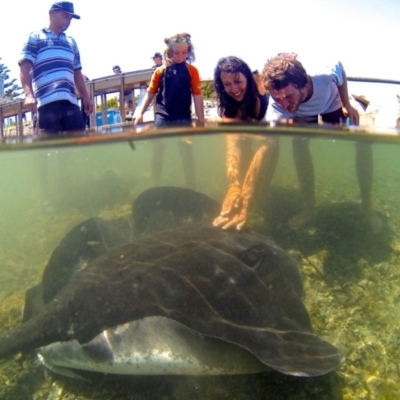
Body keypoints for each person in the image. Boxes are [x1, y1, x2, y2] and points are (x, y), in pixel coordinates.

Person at [262, 55, 382, 232]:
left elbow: (339, 67)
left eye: (288, 96)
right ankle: (309, 209)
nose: (284, 103)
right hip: (302, 114)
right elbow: (268, 137)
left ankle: (367, 207)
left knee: (363, 142)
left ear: (303, 84)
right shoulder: (278, 104)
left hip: (331, 103)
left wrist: (347, 104)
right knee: (299, 144)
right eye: (278, 98)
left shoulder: (323, 75)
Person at [212, 56, 278, 231]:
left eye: (237, 81)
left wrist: (247, 199)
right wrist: (234, 184)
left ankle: (253, 208)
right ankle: (238, 201)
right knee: (239, 178)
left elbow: (265, 146)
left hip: (268, 141)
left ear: (247, 78)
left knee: (261, 184)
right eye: (227, 84)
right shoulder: (228, 108)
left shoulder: (260, 88)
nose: (234, 89)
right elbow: (232, 145)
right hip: (247, 141)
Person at [134, 32, 204, 189]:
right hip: (162, 116)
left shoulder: (192, 70)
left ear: (189, 52)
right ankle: (156, 183)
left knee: (186, 150)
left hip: (183, 116)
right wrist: (140, 113)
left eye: (184, 52)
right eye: (176, 52)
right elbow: (151, 92)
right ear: (169, 52)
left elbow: (197, 95)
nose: (180, 56)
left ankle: (191, 184)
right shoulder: (160, 71)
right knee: (158, 149)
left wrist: (201, 119)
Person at [19, 2, 93, 135]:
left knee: (79, 147)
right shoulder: (35, 38)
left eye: (70, 18)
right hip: (46, 103)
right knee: (50, 150)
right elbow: (24, 68)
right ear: (52, 13)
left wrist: (86, 96)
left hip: (71, 103)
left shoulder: (72, 42)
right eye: (65, 16)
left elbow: (77, 72)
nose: (68, 21)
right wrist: (28, 94)